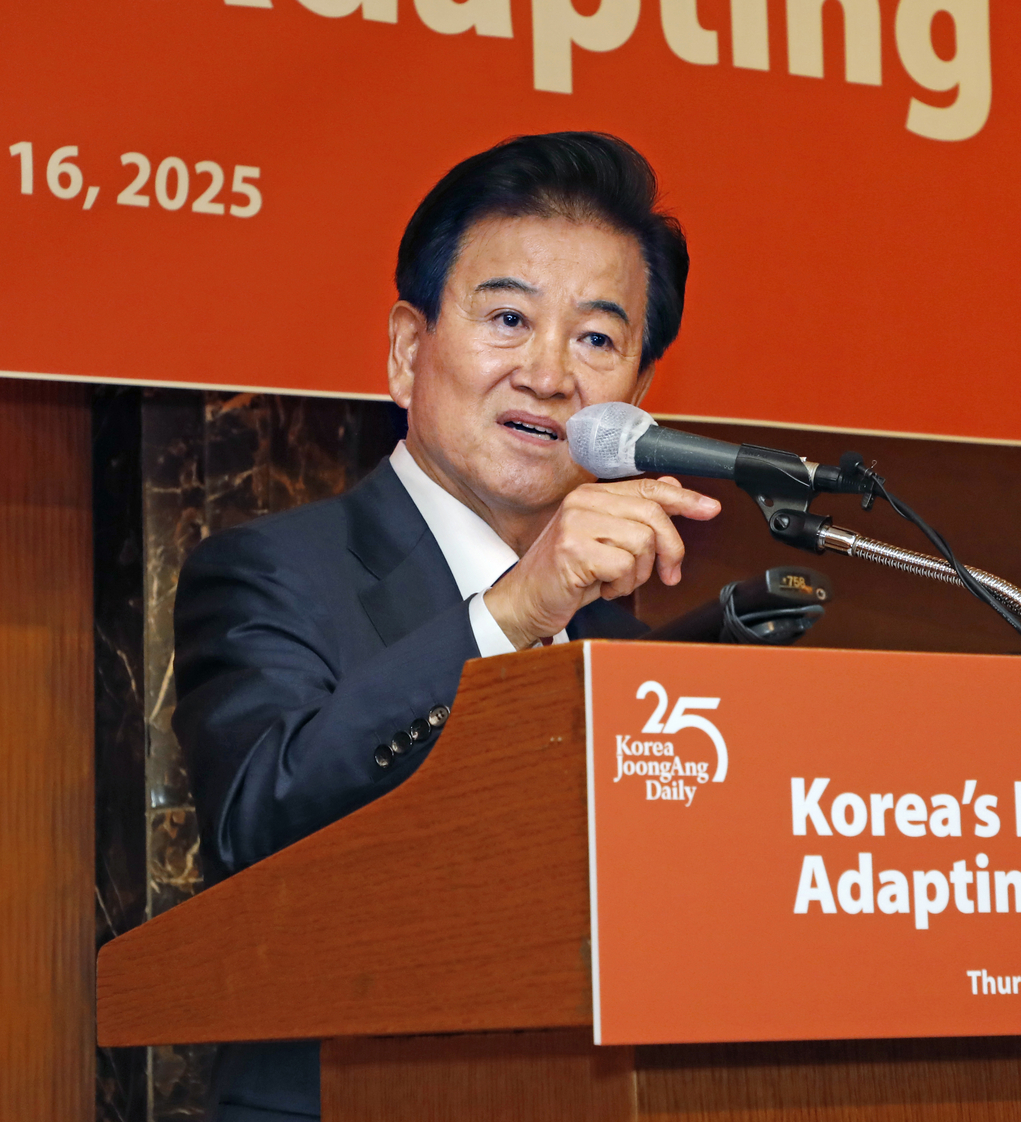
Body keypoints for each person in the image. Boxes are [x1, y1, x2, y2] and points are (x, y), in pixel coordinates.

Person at [172, 132, 721, 1122]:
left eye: (597, 339)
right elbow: (254, 829)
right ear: (405, 349)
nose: (550, 375)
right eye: (508, 318)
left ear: (634, 405)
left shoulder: (636, 663)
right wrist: (512, 612)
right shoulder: (270, 575)